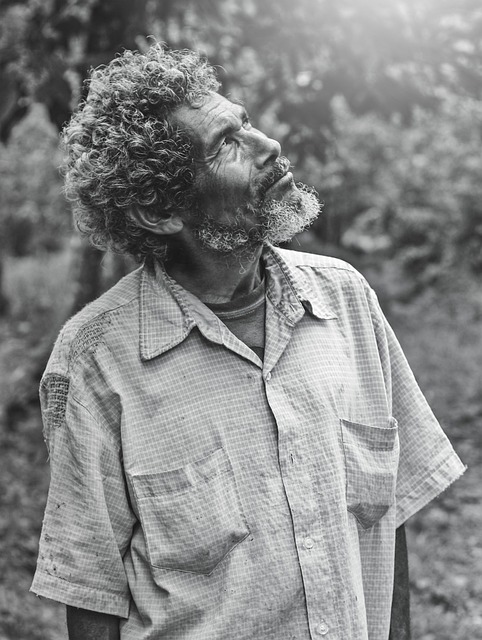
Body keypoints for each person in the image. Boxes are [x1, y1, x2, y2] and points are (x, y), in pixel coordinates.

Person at [31, 44, 465, 640]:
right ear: (161, 211)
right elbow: (92, 590)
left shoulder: (345, 298)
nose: (268, 145)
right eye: (226, 144)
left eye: (246, 122)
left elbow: (388, 515)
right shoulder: (94, 360)